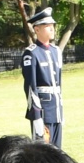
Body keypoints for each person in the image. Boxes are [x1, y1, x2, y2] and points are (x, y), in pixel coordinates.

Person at [19, 8, 65, 151]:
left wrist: (61, 111)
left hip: (56, 109)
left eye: (52, 26)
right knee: (42, 152)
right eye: (47, 26)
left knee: (58, 152)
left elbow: (59, 84)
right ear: (37, 29)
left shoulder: (56, 51)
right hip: (43, 111)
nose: (52, 29)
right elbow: (31, 87)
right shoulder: (31, 53)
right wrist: (36, 116)